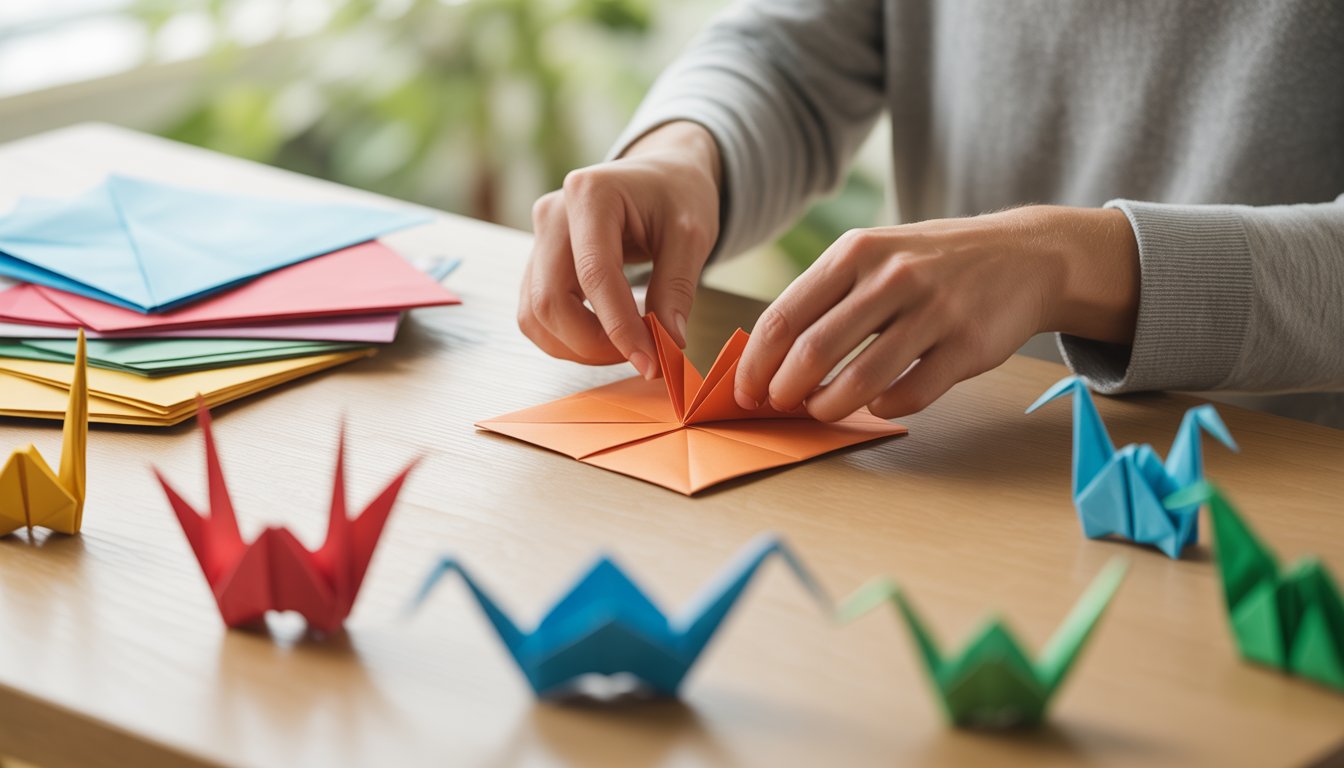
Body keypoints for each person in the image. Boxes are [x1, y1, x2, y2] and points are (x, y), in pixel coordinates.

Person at [518, 0, 1344, 425]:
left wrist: (1068, 261)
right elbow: (794, 51)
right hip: (951, 449)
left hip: (1279, 478)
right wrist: (684, 154)